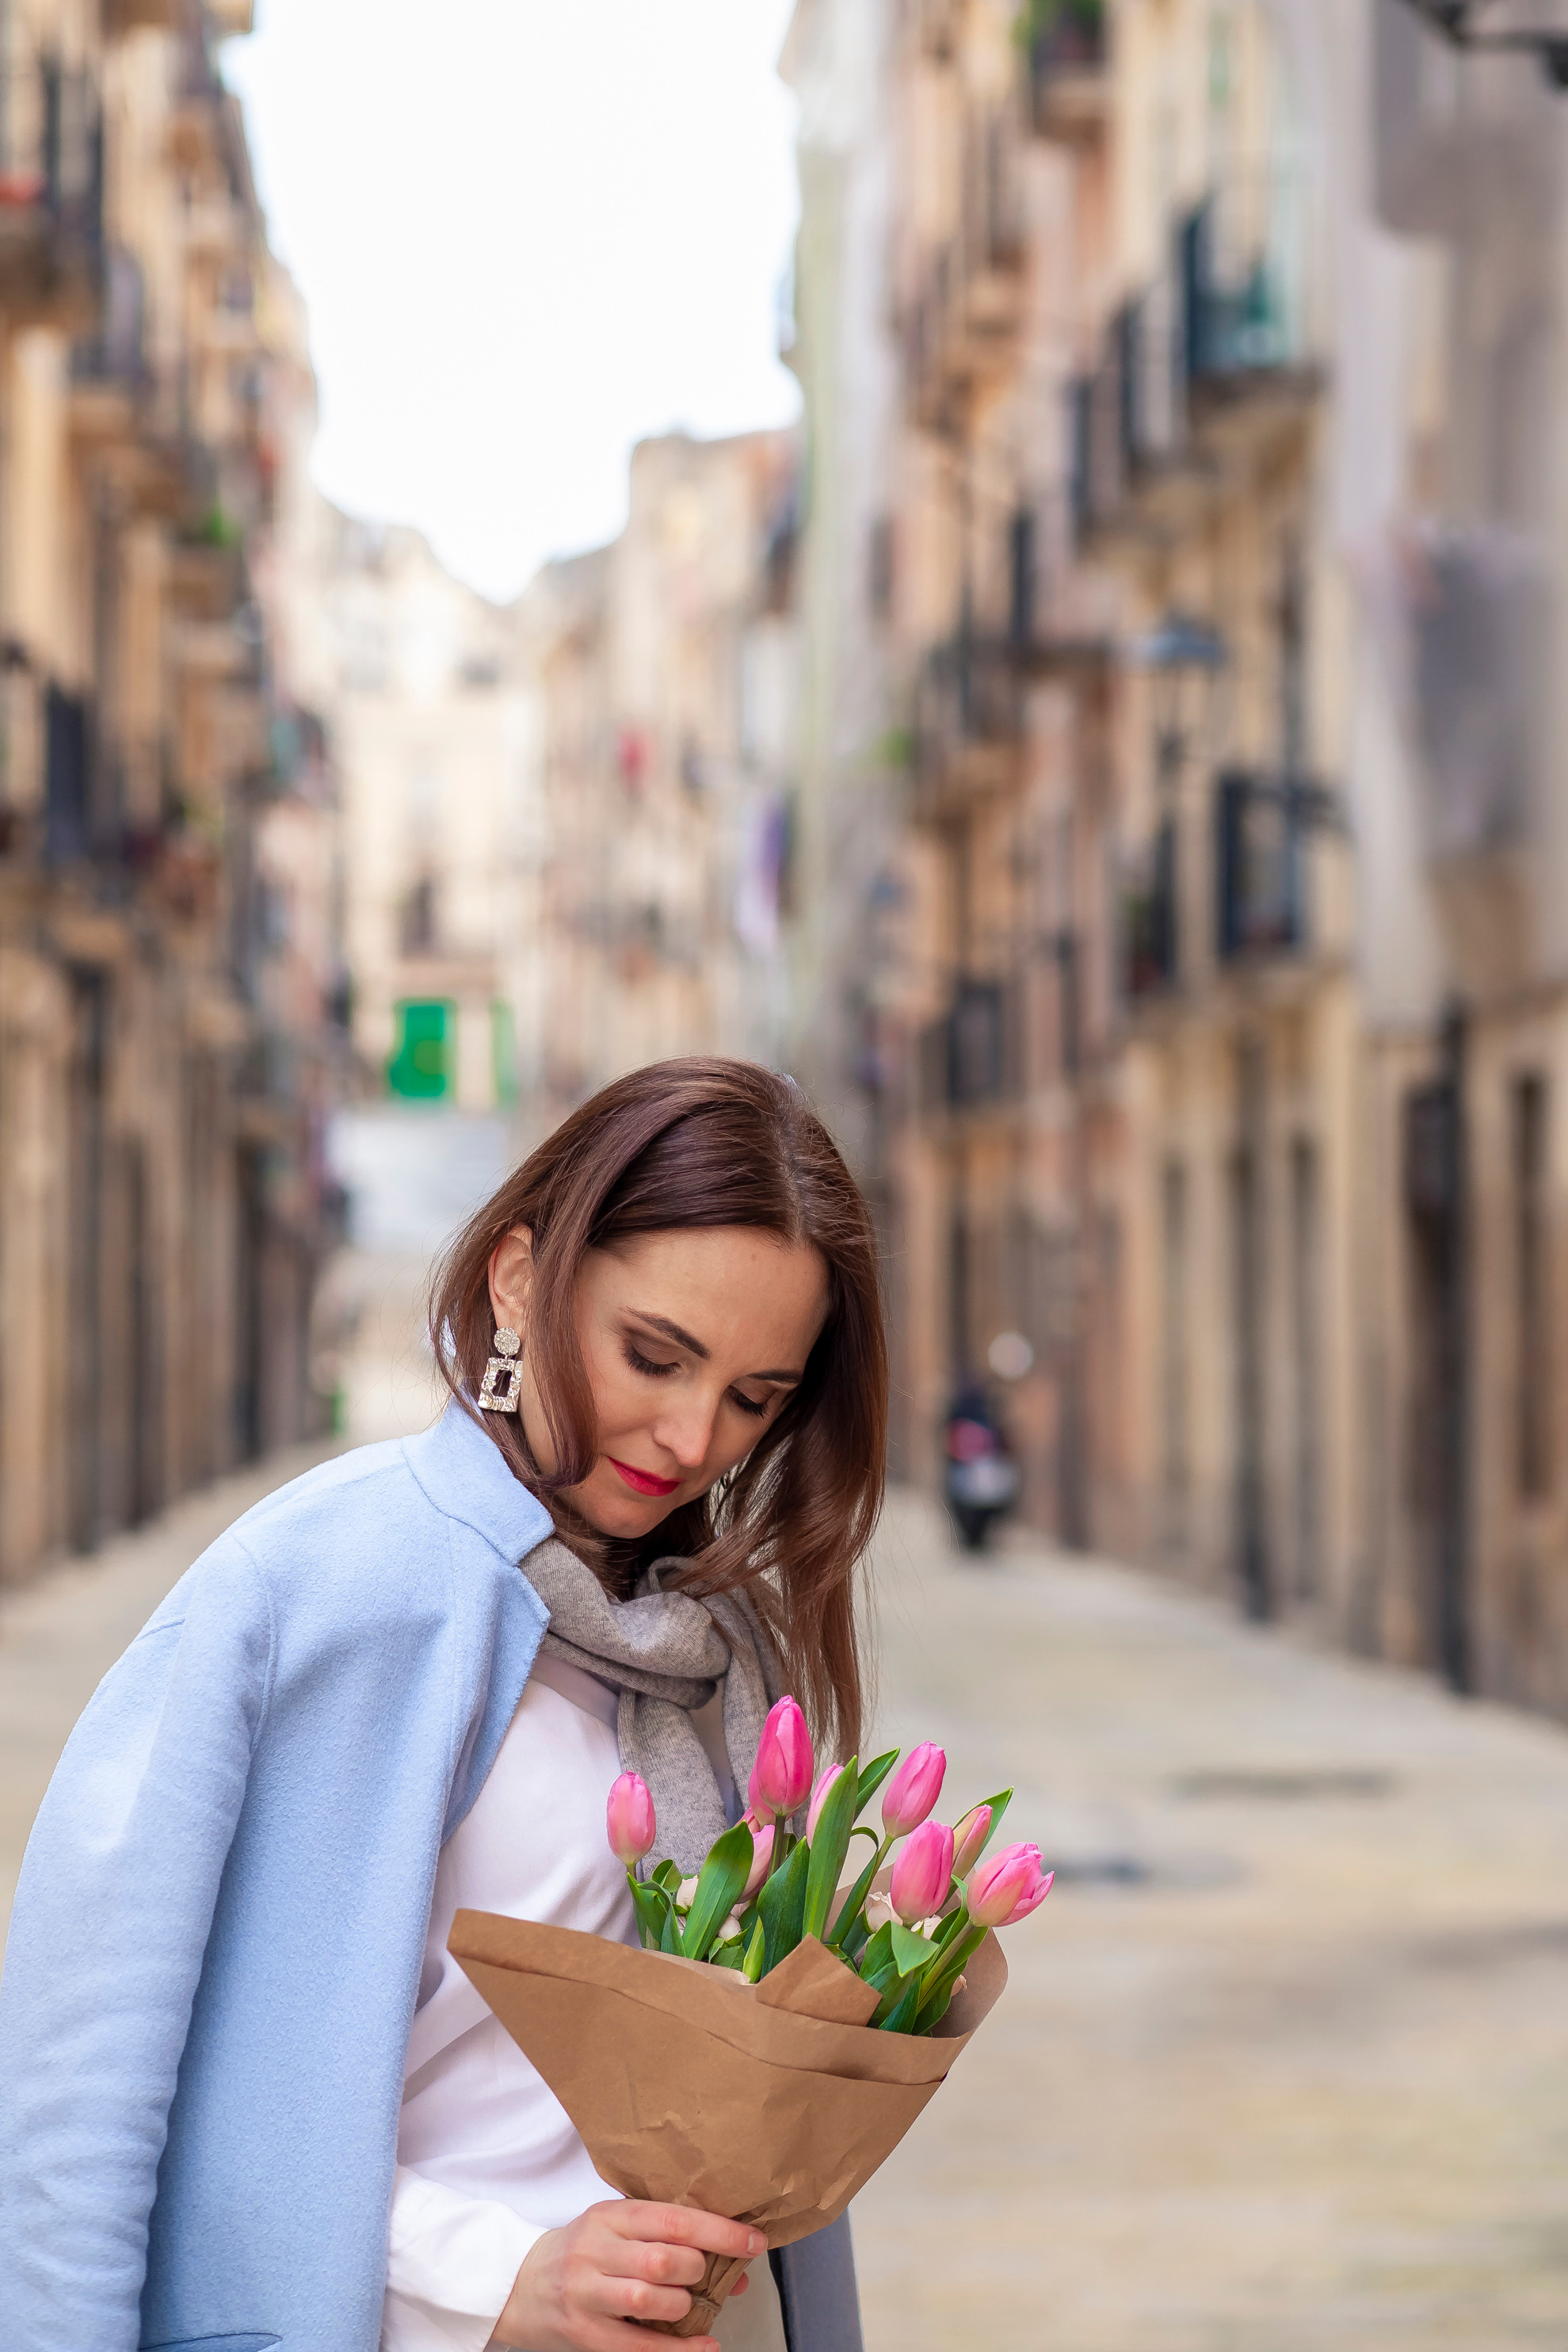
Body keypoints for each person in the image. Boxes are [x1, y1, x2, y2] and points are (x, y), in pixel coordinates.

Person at [0, 1059, 887, 2352]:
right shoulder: (309, 1589)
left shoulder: (724, 1652)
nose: (694, 1438)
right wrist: (501, 2277)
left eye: (755, 1398)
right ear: (519, 1279)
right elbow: (90, 2089)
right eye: (654, 1355)